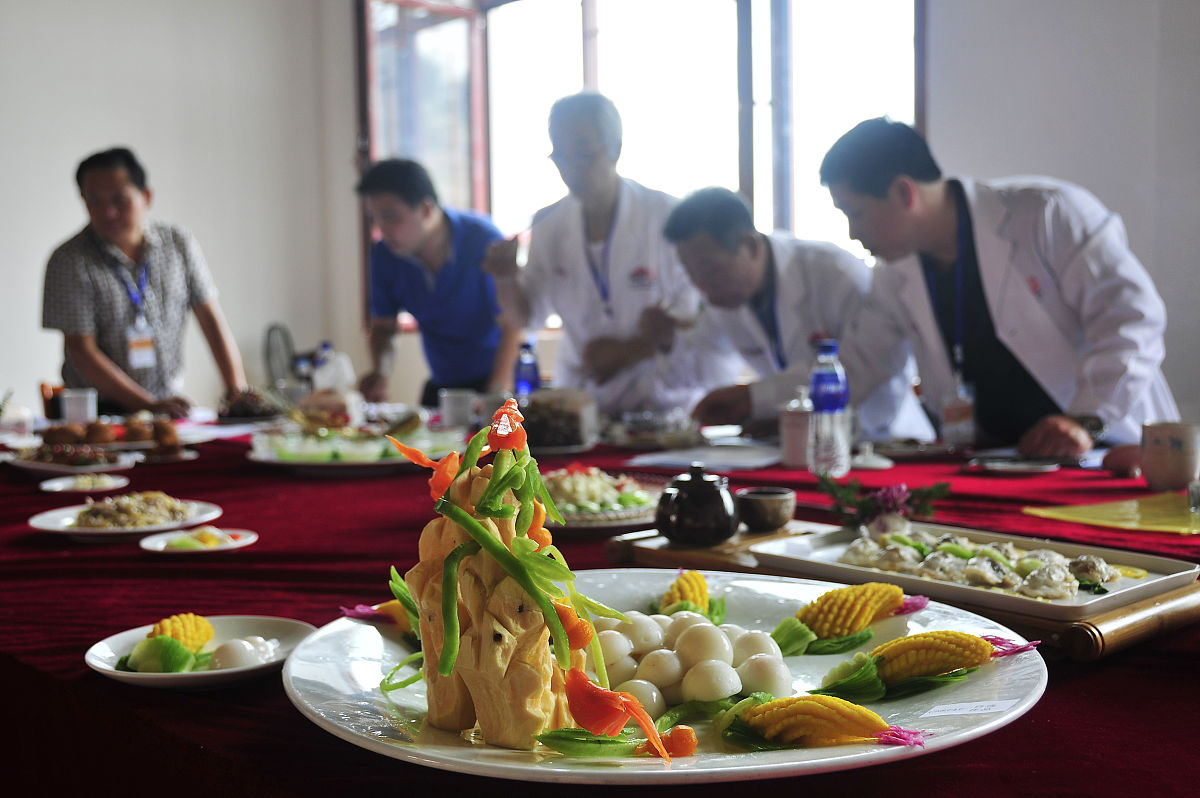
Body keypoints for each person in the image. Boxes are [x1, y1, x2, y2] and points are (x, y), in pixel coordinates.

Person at [820, 118, 1179, 457]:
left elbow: (1132, 319)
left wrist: (1084, 419)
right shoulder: (894, 273)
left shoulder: (1049, 214)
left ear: (903, 192)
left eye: (856, 213)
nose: (853, 233)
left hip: (1108, 447)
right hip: (998, 461)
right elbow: (862, 363)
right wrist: (785, 405)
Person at [482, 92, 741, 416]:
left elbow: (699, 320)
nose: (573, 167)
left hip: (663, 403)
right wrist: (505, 279)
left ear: (616, 148)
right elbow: (526, 319)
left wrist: (629, 351)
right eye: (561, 155)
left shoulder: (666, 217)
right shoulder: (549, 225)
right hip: (584, 404)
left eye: (584, 153)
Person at [659, 187, 933, 441]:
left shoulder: (834, 273)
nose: (701, 284)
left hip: (879, 436)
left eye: (710, 269)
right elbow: (703, 374)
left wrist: (753, 398)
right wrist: (666, 341)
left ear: (751, 245)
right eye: (690, 272)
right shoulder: (722, 297)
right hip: (798, 442)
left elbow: (865, 368)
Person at [42, 147, 247, 419]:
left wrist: (238, 392)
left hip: (168, 407)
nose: (109, 213)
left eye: (119, 200)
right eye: (95, 201)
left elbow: (210, 318)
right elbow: (82, 351)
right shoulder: (70, 260)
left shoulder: (178, 243)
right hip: (100, 416)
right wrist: (146, 405)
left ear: (146, 197)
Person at [355, 159, 520, 407]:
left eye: (390, 218)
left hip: (502, 381)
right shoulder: (385, 256)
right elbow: (384, 327)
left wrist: (495, 396)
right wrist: (380, 372)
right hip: (444, 387)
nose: (382, 230)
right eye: (375, 220)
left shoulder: (482, 240)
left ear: (426, 209)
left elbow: (512, 325)